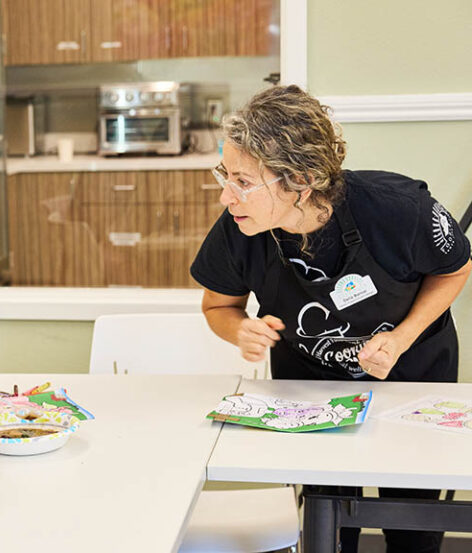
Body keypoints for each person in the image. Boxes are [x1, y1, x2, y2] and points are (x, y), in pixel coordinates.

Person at [190, 85, 471, 553]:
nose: (226, 196)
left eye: (242, 180)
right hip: (311, 392)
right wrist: (240, 330)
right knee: (326, 526)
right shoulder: (242, 228)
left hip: (411, 379)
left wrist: (401, 339)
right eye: (226, 174)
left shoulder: (398, 208)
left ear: (300, 180)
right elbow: (218, 306)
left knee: (411, 526)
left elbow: (455, 268)